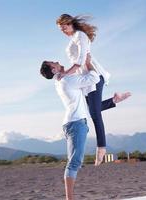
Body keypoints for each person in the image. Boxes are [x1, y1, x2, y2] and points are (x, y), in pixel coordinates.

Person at [40, 59, 128, 200]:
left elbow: (88, 108)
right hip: (76, 124)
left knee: (73, 162)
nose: (57, 61)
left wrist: (113, 101)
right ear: (53, 70)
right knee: (74, 163)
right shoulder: (67, 80)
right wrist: (87, 62)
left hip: (73, 123)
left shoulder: (62, 81)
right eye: (53, 63)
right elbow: (94, 77)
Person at [56, 14, 131, 165]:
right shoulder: (74, 38)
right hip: (85, 80)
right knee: (92, 110)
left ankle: (101, 148)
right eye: (60, 29)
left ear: (70, 23)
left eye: (64, 27)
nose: (63, 31)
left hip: (93, 76)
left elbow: (81, 60)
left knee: (95, 114)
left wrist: (65, 73)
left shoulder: (80, 35)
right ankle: (115, 99)